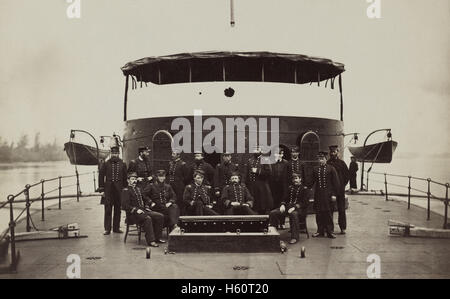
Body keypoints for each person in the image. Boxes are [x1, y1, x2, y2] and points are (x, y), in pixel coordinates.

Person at [121, 172, 165, 247]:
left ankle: (157, 237)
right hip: (133, 215)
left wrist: (150, 203)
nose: (134, 181)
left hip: (143, 211)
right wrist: (135, 210)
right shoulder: (126, 190)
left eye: (135, 179)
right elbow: (125, 206)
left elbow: (144, 198)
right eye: (132, 179)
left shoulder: (138, 189)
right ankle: (151, 241)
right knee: (147, 219)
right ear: (128, 180)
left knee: (160, 216)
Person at [269, 173, 309, 244]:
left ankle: (294, 237)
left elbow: (305, 203)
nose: (295, 180)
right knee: (273, 213)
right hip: (288, 208)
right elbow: (284, 198)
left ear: (300, 179)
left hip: (299, 209)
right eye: (293, 179)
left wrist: (295, 207)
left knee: (293, 214)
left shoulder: (304, 189)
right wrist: (282, 205)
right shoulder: (290, 188)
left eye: (296, 178)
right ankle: (273, 234)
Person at [98, 146, 127, 235]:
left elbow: (125, 177)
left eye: (116, 153)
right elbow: (101, 176)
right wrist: (102, 189)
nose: (115, 155)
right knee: (108, 209)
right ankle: (107, 229)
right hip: (108, 190)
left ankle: (116, 228)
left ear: (118, 154)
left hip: (119, 190)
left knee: (118, 209)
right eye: (113, 153)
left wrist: (125, 188)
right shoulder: (106, 163)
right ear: (111, 153)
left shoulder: (123, 164)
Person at [311, 151, 340, 239]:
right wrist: (305, 187)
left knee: (328, 213)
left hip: (328, 195)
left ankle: (330, 231)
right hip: (318, 194)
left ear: (326, 159)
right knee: (319, 213)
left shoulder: (331, 169)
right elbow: (311, 182)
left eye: (322, 159)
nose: (321, 161)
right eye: (319, 159)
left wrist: (334, 194)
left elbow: (336, 183)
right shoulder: (315, 169)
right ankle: (320, 231)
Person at [243, 146, 273, 214]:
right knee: (253, 206)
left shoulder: (265, 159)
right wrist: (244, 183)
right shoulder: (250, 160)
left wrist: (258, 171)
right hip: (252, 187)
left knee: (262, 206)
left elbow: (269, 173)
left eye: (257, 149)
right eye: (254, 149)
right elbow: (246, 174)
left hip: (262, 187)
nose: (255, 150)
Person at [327, 145, 349, 234]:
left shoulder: (342, 163)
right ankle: (330, 228)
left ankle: (342, 227)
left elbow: (347, 176)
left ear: (337, 152)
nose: (332, 153)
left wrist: (342, 185)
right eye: (331, 152)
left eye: (334, 151)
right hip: (330, 191)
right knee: (330, 210)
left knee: (341, 209)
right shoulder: (328, 163)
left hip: (340, 190)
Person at [269, 147, 289, 228]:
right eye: (276, 154)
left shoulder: (286, 163)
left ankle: (282, 222)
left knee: (282, 204)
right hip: (273, 186)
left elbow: (288, 175)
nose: (278, 155)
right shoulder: (271, 163)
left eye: (280, 154)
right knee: (274, 204)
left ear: (282, 154)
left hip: (283, 187)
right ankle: (275, 223)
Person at [168, 149, 190, 215]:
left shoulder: (182, 164)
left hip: (179, 187)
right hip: (171, 185)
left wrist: (182, 184)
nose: (172, 155)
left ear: (178, 155)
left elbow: (186, 177)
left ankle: (181, 216)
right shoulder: (171, 163)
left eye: (174, 154)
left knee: (180, 202)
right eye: (172, 154)